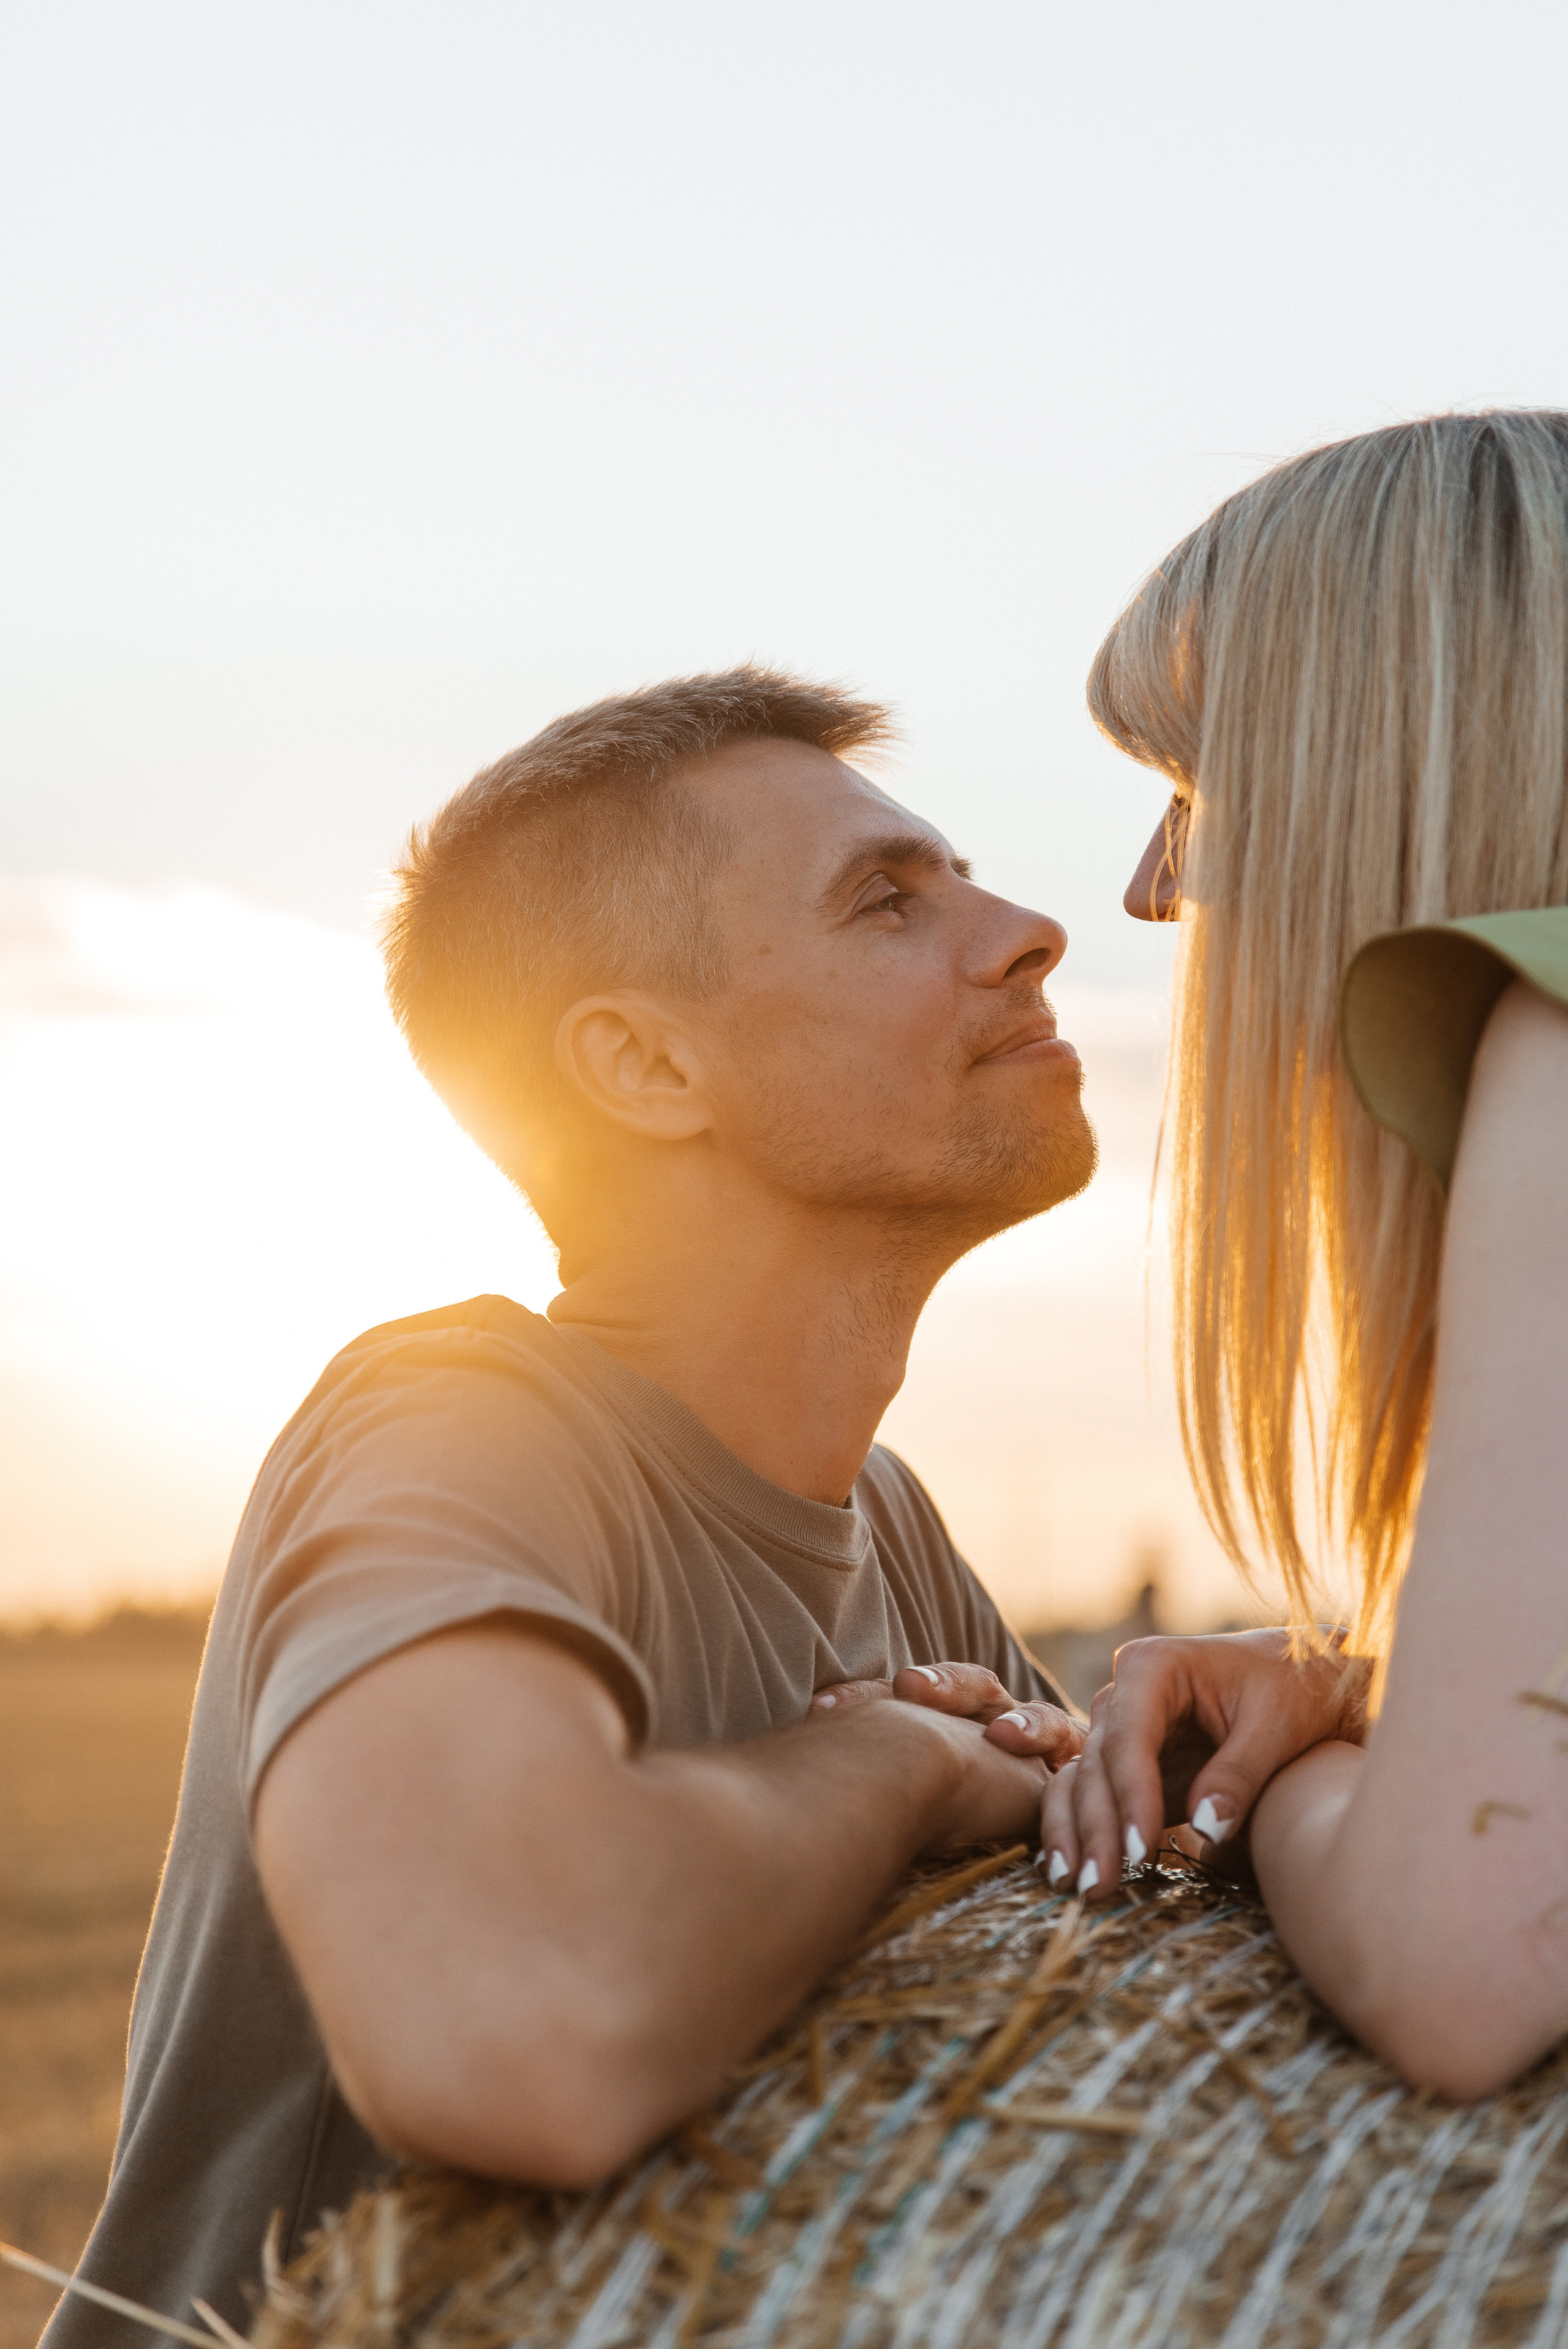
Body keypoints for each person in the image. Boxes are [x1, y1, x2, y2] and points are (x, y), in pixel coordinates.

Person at [48, 669, 1095, 2347]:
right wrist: (890, 1759)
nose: (1032, 928)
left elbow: (1128, 1890)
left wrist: (1297, 1695)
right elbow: (515, 2018)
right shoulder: (459, 1421)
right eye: (890, 900)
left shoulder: (887, 1520)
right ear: (641, 1062)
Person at [1035, 410, 1568, 2103]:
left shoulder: (1555, 1042)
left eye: (1197, 783)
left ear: (1397, 770)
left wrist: (1288, 1798)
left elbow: (1462, 1956)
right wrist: (1375, 1693)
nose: (1149, 886)